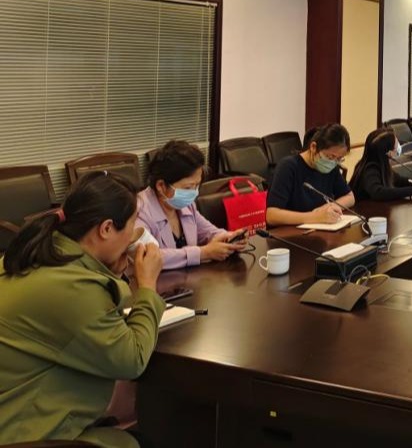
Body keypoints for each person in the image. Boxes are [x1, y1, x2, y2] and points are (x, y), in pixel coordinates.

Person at [0, 172, 165, 448]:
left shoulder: (37, 253)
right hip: (24, 432)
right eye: (133, 225)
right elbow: (132, 359)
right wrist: (147, 286)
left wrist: (111, 272)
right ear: (106, 229)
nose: (134, 235)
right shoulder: (73, 288)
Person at [136, 140, 245, 269]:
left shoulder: (185, 205)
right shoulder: (139, 210)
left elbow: (208, 231)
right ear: (161, 186)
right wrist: (203, 253)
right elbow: (148, 257)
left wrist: (228, 238)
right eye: (187, 188)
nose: (194, 193)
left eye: (197, 185)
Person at [267, 123, 355, 226]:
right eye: (330, 157)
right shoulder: (288, 167)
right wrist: (315, 217)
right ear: (313, 147)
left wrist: (329, 207)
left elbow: (350, 197)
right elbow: (271, 215)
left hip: (319, 229)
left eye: (339, 159)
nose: (333, 162)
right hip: (290, 231)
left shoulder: (332, 167)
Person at [351, 128, 412, 202]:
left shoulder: (381, 164)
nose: (398, 145)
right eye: (396, 143)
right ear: (388, 152)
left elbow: (399, 180)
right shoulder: (370, 169)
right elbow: (378, 192)